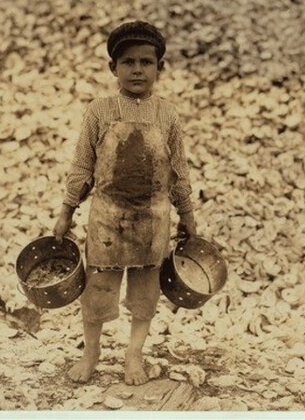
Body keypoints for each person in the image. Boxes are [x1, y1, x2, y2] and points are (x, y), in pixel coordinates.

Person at [52, 20, 197, 385]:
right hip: (107, 219)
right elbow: (82, 166)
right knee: (97, 290)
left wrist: (189, 215)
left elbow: (178, 169)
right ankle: (92, 353)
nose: (137, 70)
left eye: (146, 62)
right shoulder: (99, 111)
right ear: (112, 68)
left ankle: (134, 356)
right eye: (128, 62)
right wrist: (66, 212)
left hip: (153, 220)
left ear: (160, 68)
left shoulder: (167, 114)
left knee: (145, 293)